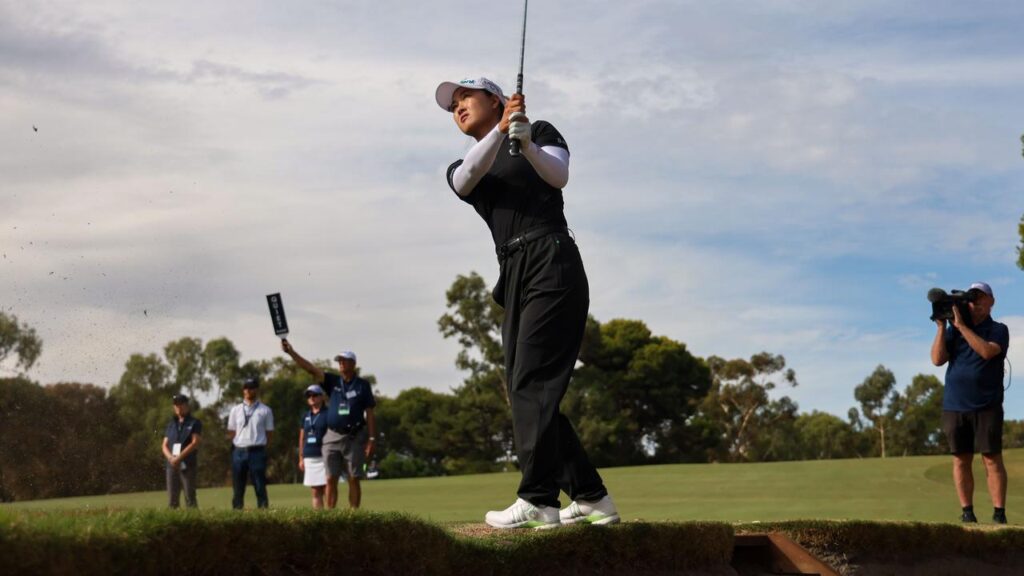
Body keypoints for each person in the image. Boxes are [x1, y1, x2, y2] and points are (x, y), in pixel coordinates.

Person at [434, 76, 619, 529]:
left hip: (551, 256)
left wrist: (527, 142)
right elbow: (464, 181)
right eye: (453, 103)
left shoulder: (540, 132)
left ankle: (539, 498)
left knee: (531, 384)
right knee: (527, 387)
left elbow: (560, 175)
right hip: (514, 272)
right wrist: (501, 133)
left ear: (495, 99)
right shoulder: (466, 161)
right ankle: (592, 497)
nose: (458, 106)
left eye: (466, 97)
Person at [930, 281, 1010, 524]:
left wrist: (963, 327)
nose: (975, 303)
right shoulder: (955, 330)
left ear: (991, 301)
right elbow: (936, 360)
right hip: (955, 404)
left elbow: (986, 352)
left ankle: (999, 514)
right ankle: (967, 512)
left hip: (987, 404)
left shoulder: (998, 329)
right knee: (960, 458)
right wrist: (943, 327)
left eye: (980, 298)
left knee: (991, 458)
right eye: (971, 299)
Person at [282, 339, 377, 509]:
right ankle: (330, 515)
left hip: (354, 436)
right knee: (329, 478)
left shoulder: (363, 385)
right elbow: (310, 368)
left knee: (353, 478)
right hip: (332, 436)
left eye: (344, 360)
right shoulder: (333, 381)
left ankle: (353, 515)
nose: (340, 363)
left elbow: (369, 412)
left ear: (353, 363)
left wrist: (371, 438)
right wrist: (291, 352)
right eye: (339, 361)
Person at [227, 377, 274, 509]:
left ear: (256, 390)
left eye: (251, 388)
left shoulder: (265, 410)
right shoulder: (235, 410)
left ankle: (263, 514)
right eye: (246, 388)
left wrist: (262, 446)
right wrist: (239, 442)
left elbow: (269, 433)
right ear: (243, 390)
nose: (248, 390)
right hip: (239, 452)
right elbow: (231, 431)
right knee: (238, 487)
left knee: (260, 486)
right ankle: (236, 515)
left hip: (257, 451)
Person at [161, 394, 202, 508]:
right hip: (171, 465)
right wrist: (171, 458)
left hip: (187, 464)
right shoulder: (171, 424)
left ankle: (194, 523)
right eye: (176, 405)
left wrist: (179, 457)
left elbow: (195, 442)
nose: (179, 407)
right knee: (172, 500)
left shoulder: (194, 422)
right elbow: (164, 445)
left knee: (190, 497)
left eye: (181, 404)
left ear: (186, 405)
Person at [299, 383, 329, 508]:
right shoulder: (306, 415)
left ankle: (332, 520)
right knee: (315, 491)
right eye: (309, 395)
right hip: (310, 457)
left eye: (315, 395)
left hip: (325, 456)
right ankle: (319, 521)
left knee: (328, 489)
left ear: (322, 397)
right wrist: (301, 458)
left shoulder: (328, 413)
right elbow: (302, 437)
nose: (311, 397)